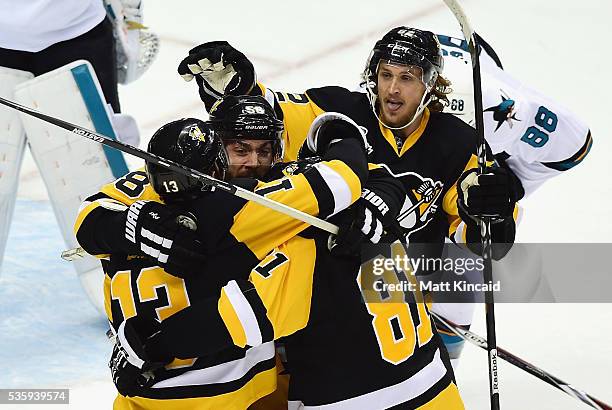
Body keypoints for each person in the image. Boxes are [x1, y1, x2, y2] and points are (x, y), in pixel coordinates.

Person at [74, 95, 371, 409]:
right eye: (240, 150)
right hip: (233, 393)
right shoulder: (253, 209)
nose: (253, 162)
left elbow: (88, 219)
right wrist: (340, 132)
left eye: (264, 150)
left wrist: (135, 227)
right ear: (216, 156)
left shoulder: (153, 183)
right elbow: (345, 179)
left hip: (142, 392)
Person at [178, 27, 521, 266]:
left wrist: (491, 214)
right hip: (326, 280)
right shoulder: (339, 109)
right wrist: (238, 90)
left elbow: (481, 238)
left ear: (429, 85)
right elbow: (266, 115)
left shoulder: (458, 143)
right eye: (386, 74)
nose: (393, 90)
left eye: (406, 78)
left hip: (405, 299)